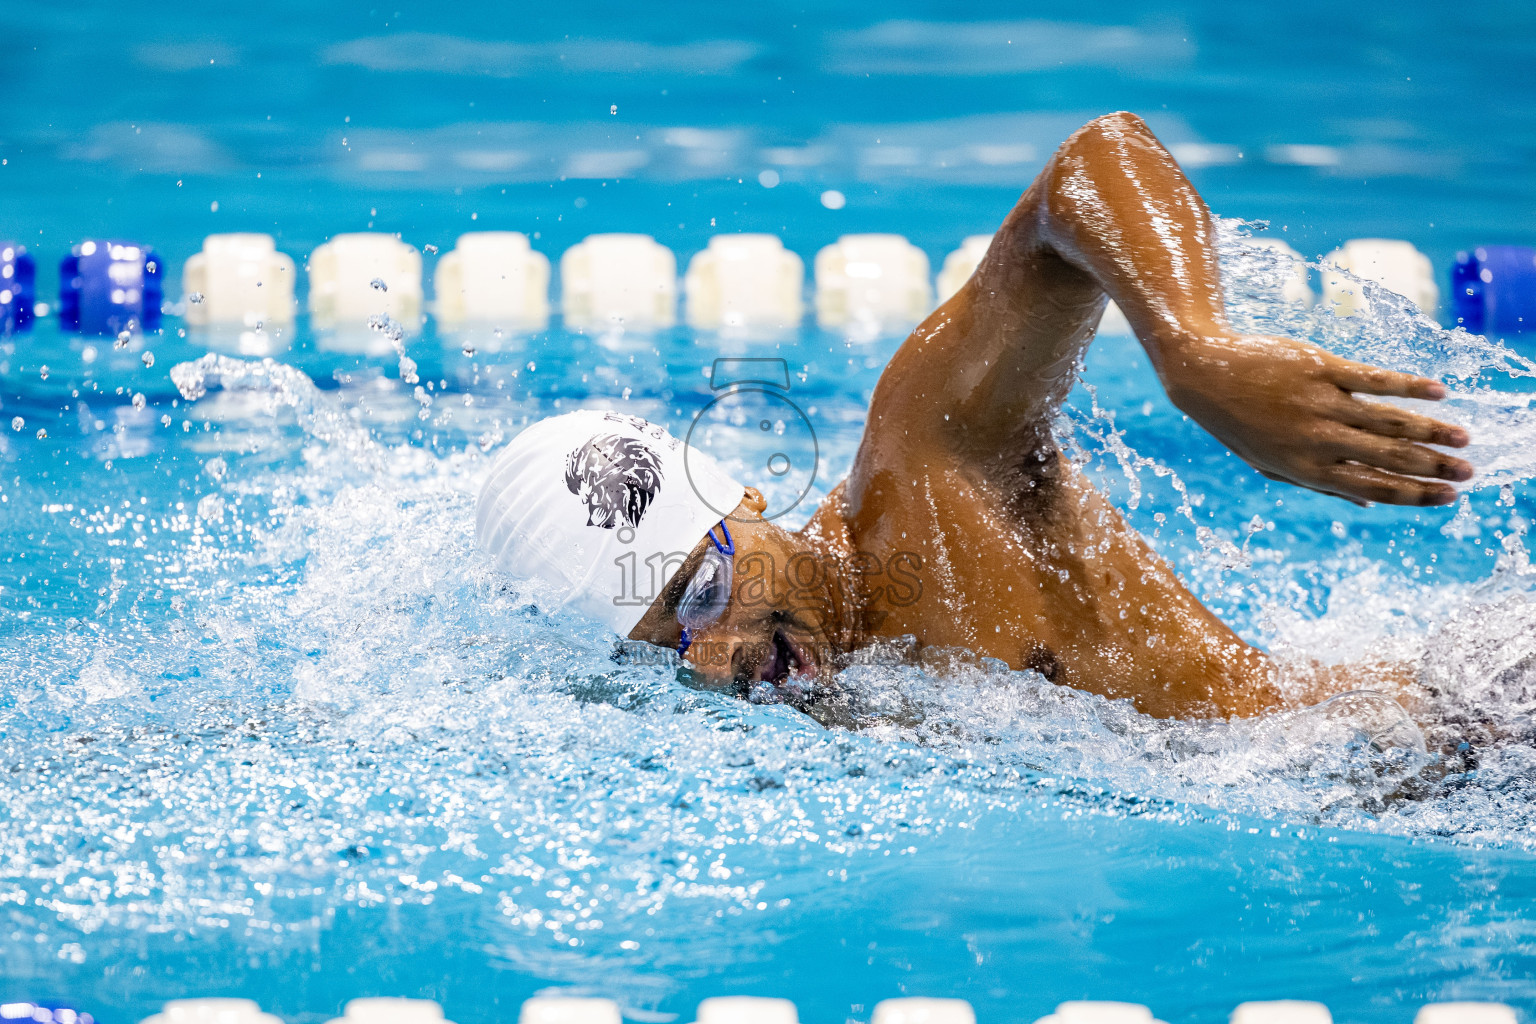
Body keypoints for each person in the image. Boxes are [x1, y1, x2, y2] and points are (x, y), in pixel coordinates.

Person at [477, 112, 1473, 721]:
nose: (722, 658)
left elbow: (1095, 161)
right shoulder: (819, 710)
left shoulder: (925, 470)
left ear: (741, 495)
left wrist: (1191, 348)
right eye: (671, 652)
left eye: (701, 593)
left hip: (1453, 728)